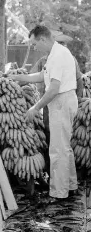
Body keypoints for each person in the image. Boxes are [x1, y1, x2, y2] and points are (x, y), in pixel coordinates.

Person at [10, 25, 78, 200]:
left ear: (42, 39)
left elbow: (54, 88)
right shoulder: (55, 53)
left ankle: (59, 193)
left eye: (34, 43)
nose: (34, 47)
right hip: (62, 100)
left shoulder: (58, 55)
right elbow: (43, 75)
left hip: (61, 101)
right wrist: (19, 78)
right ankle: (70, 185)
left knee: (57, 149)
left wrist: (35, 107)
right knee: (64, 147)